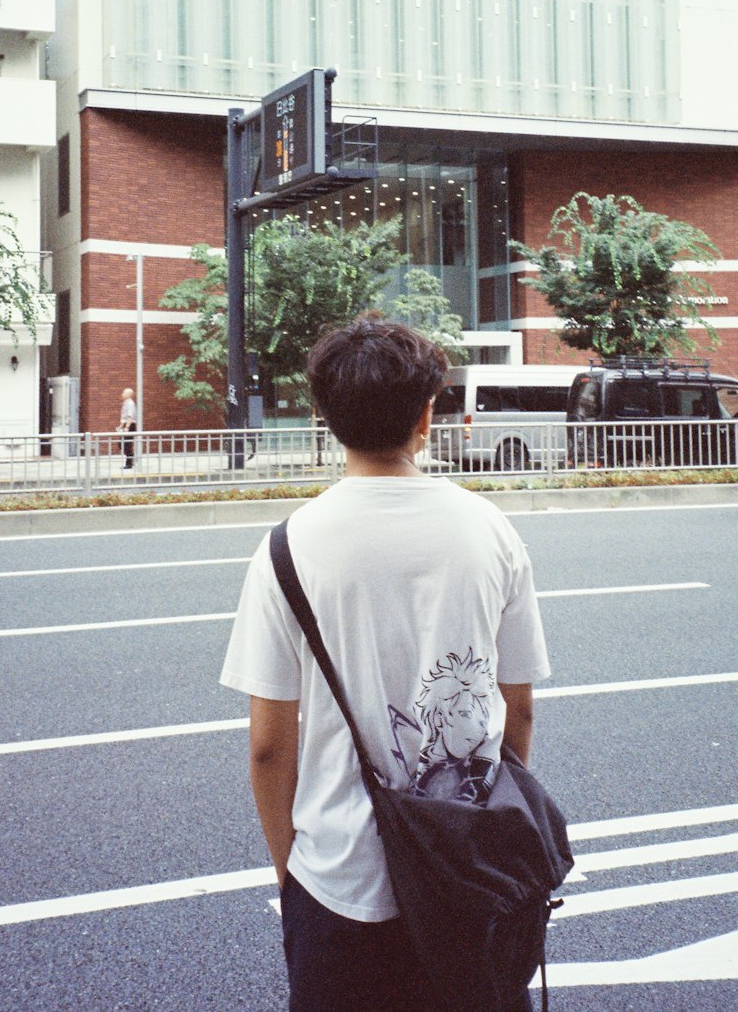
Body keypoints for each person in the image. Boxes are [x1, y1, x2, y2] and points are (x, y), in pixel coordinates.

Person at [220, 316, 551, 1012]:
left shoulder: (287, 548)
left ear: (324, 417)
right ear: (427, 413)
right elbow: (515, 708)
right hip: (472, 873)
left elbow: (268, 745)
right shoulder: (489, 529)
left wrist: (292, 876)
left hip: (339, 882)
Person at [117, 387, 136, 469]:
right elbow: (125, 417)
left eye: (124, 393)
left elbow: (130, 416)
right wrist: (121, 426)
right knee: (121, 443)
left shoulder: (130, 403)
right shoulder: (126, 403)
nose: (122, 394)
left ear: (128, 394)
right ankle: (131, 459)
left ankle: (129, 463)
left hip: (130, 425)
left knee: (126, 444)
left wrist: (127, 427)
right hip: (126, 425)